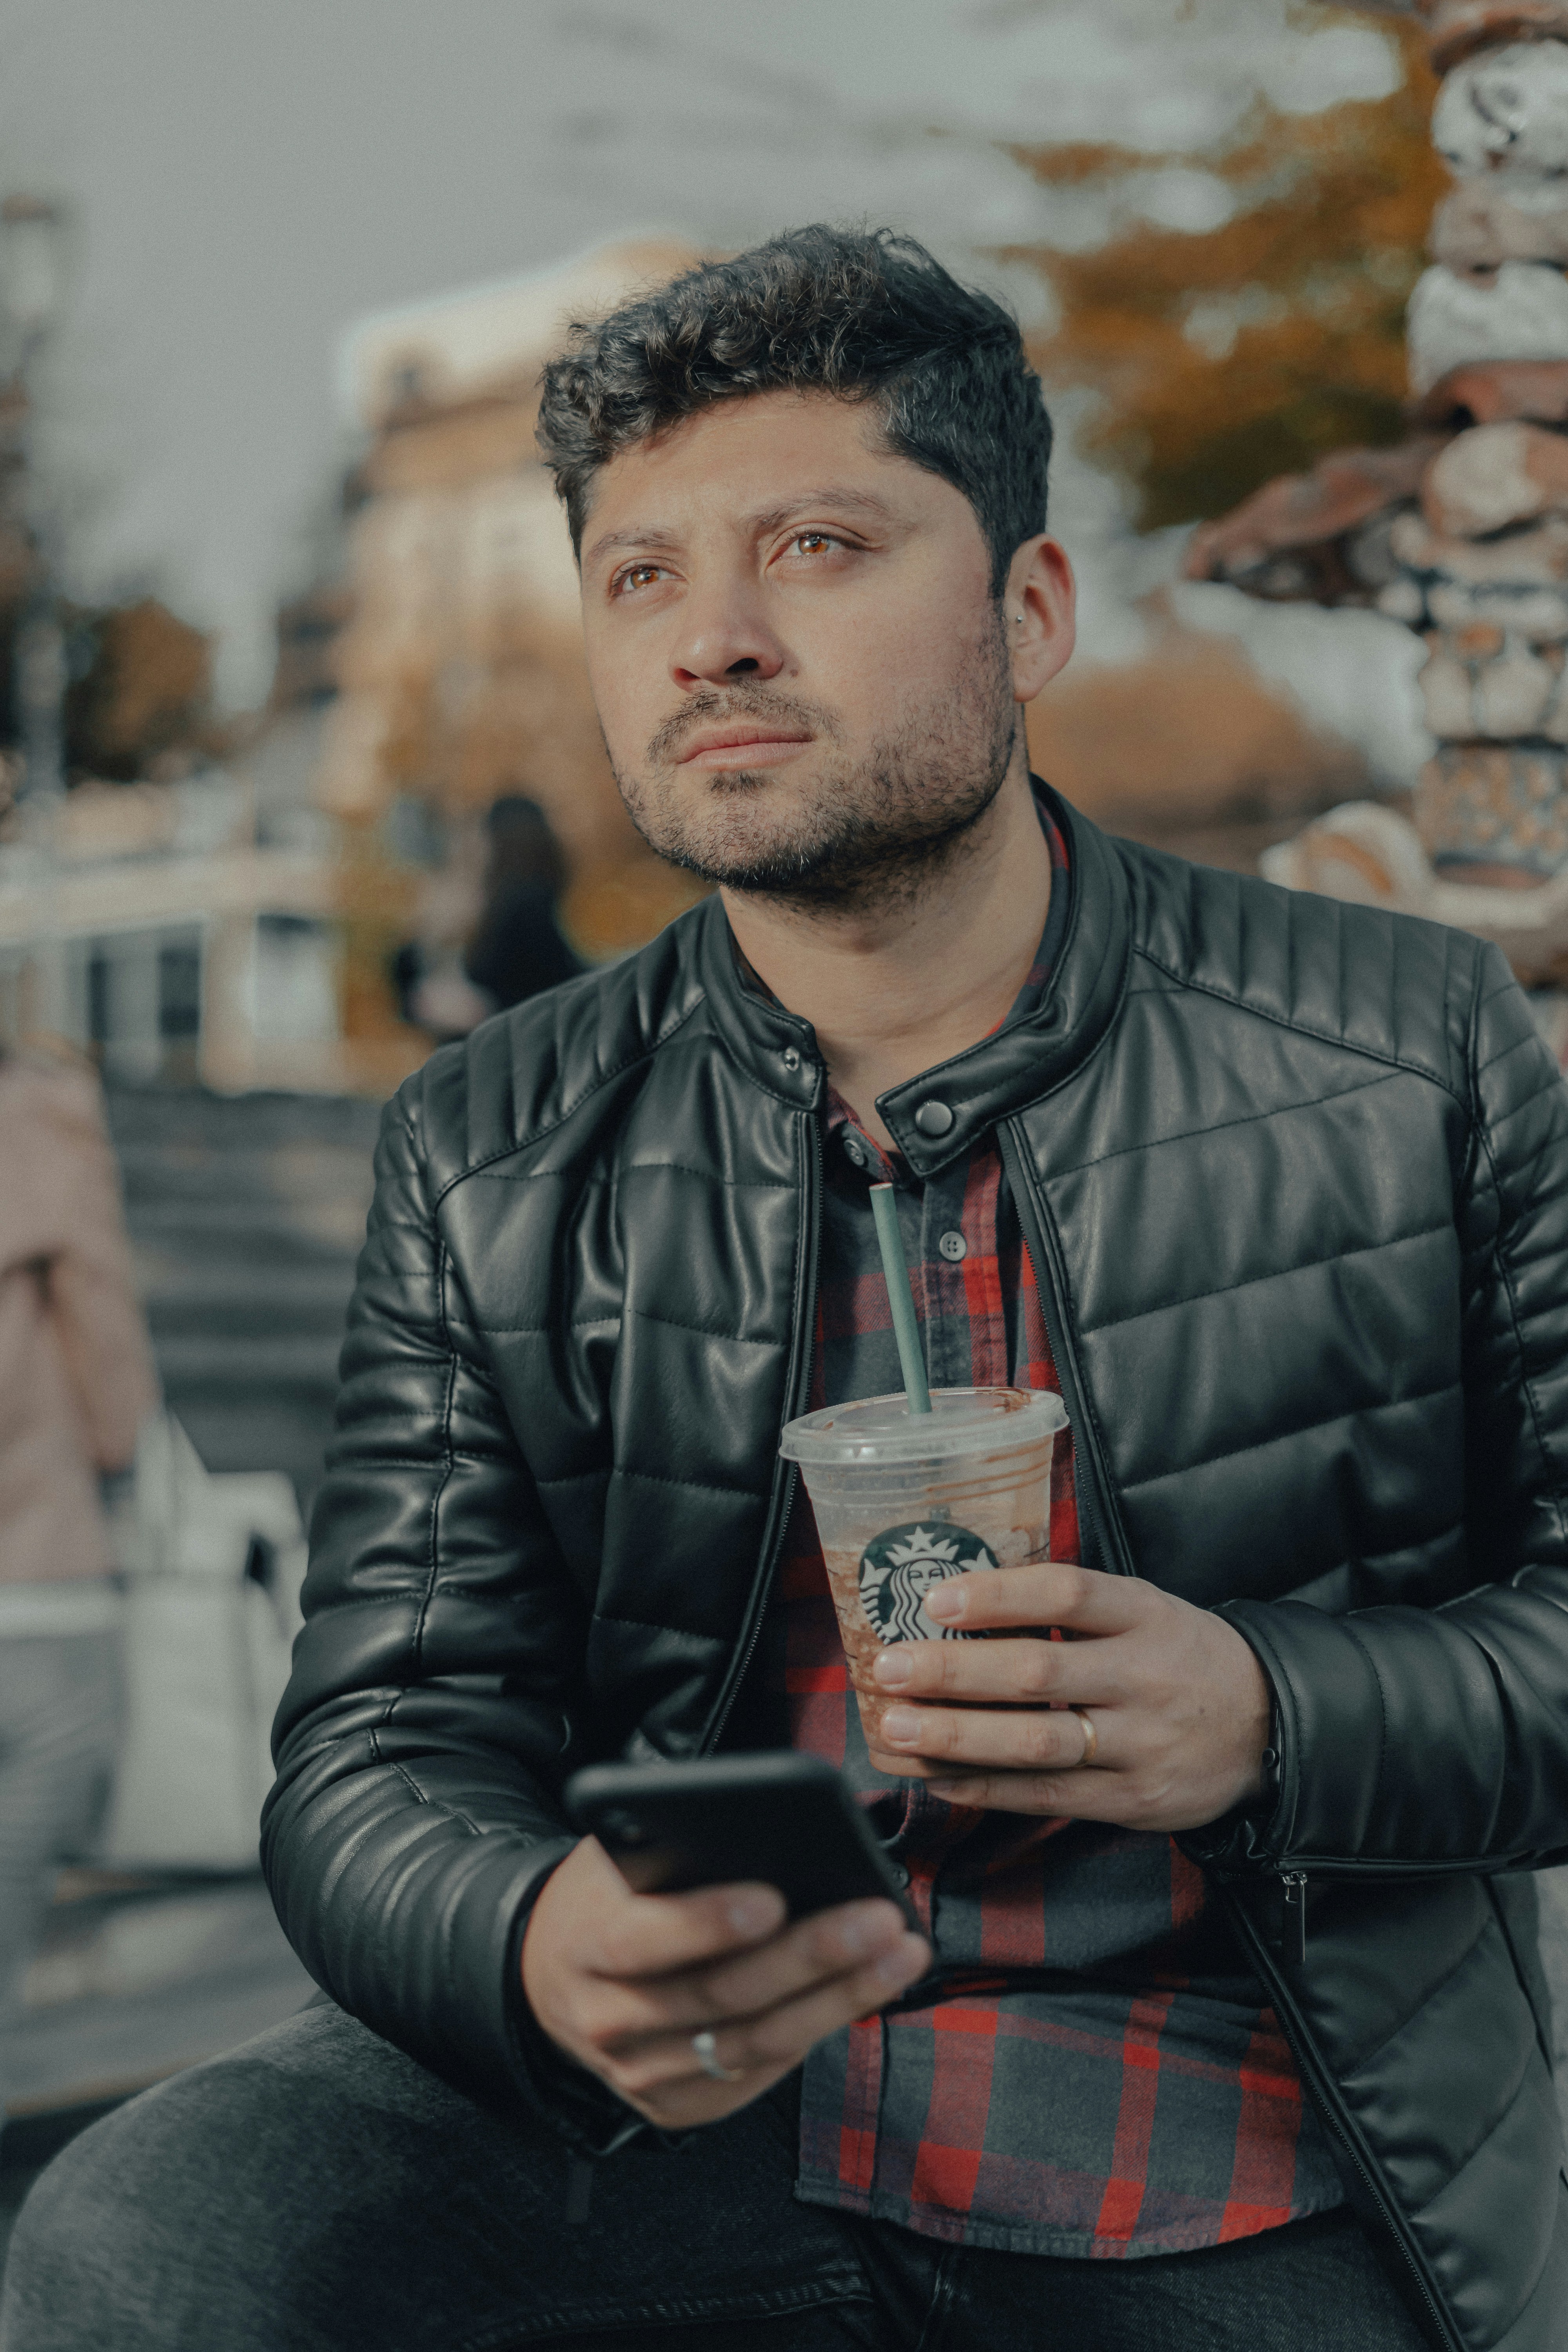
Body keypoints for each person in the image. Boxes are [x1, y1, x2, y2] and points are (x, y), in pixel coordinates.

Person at [5, 226, 1567, 2352]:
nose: (712, 640)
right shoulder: (493, 1138)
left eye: (818, 546)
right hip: (694, 2117)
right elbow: (381, 1740)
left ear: (1030, 612)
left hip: (1216, 2125)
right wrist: (533, 1940)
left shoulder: (1405, 1049)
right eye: (641, 576)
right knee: (146, 2237)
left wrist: (1267, 1710)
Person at [0, 1047, 158, 2119]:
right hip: (31, 1520)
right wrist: (122, 1444)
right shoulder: (35, 1111)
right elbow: (94, 1298)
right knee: (63, 1745)